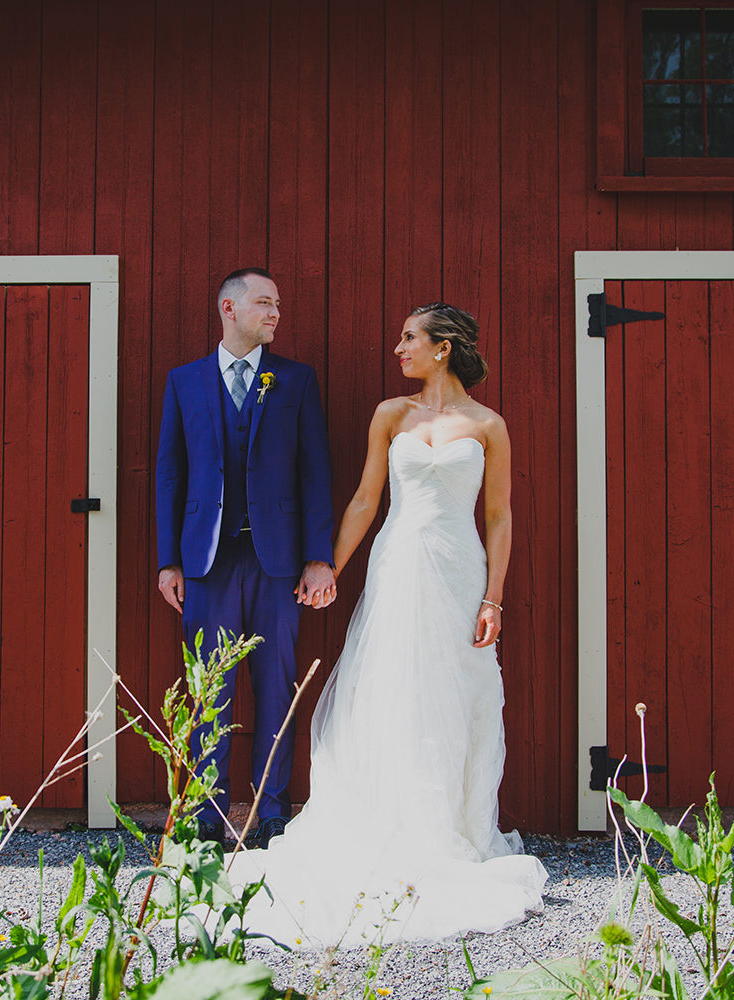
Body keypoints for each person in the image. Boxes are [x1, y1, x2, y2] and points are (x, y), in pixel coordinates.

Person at [230, 302, 549, 944]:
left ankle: (448, 830)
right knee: (390, 689)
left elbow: (500, 517)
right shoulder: (390, 415)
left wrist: (494, 598)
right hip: (399, 566)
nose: (397, 348)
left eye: (409, 338)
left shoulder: (489, 424)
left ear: (443, 349)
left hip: (459, 571)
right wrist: (329, 567)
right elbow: (365, 500)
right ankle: (387, 821)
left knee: (454, 695)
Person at [155, 267, 337, 848]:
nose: (276, 313)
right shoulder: (184, 382)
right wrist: (168, 560)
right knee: (210, 689)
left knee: (276, 685)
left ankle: (272, 810)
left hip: (277, 561)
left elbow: (315, 473)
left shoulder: (296, 381)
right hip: (206, 562)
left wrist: (317, 556)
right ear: (228, 310)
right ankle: (207, 815)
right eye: (264, 303)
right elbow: (170, 474)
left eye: (278, 304)